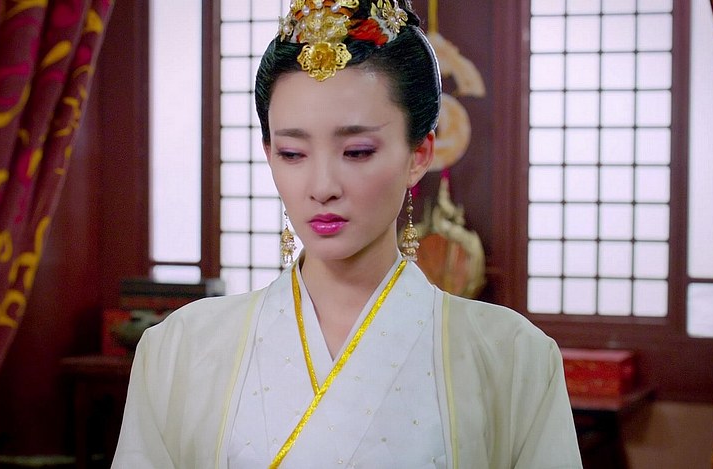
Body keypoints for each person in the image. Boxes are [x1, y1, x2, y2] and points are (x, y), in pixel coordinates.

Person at [112, 1, 582, 467]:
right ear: (269, 154)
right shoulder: (179, 350)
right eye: (293, 153)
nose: (322, 187)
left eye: (356, 151)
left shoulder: (512, 358)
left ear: (419, 155)